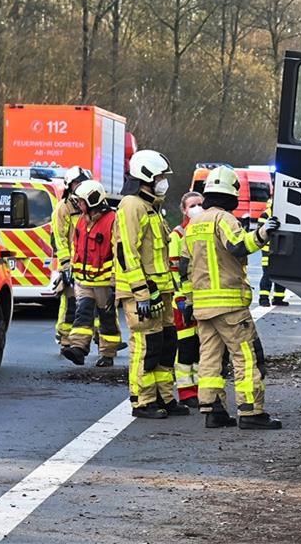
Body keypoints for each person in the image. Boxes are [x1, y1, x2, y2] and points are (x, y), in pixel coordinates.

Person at [179, 166, 282, 429]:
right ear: (231, 194)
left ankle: (213, 411)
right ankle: (251, 412)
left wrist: (189, 303)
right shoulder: (224, 219)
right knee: (247, 356)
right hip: (229, 305)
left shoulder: (193, 225)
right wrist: (263, 233)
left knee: (211, 358)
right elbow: (238, 246)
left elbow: (185, 269)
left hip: (202, 307)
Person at [114, 150, 189, 419]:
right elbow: (127, 252)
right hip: (141, 293)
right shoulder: (131, 205)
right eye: (159, 176)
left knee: (167, 343)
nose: (162, 181)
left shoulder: (152, 207)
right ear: (146, 176)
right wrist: (141, 293)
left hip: (161, 291)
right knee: (146, 345)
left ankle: (165, 397)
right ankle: (143, 401)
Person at [61, 180, 123, 367]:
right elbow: (76, 247)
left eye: (81, 201)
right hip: (84, 281)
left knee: (107, 319)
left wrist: (114, 282)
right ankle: (78, 349)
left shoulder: (113, 220)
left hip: (105, 282)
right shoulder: (82, 220)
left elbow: (118, 252)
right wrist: (71, 268)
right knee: (83, 313)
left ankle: (107, 353)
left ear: (92, 200)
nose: (78, 205)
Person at [52, 166, 92, 352]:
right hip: (72, 263)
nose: (81, 186)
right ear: (70, 185)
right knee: (69, 303)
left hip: (90, 263)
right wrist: (66, 265)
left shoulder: (89, 206)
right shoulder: (64, 208)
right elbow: (60, 238)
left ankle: (99, 338)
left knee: (96, 303)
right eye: (77, 183)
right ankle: (65, 338)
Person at [169, 191, 203, 407]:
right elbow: (174, 270)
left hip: (203, 300)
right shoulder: (178, 235)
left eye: (200, 204)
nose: (197, 208)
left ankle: (201, 389)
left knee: (201, 349)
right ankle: (186, 391)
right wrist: (182, 298)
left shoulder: (205, 230)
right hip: (183, 302)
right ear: (184, 210)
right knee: (186, 349)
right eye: (192, 205)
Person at [257, 193, 287, 307]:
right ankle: (263, 298)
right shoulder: (266, 214)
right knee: (268, 274)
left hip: (281, 249)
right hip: (268, 250)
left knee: (281, 274)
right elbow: (260, 232)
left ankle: (278, 298)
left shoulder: (285, 213)